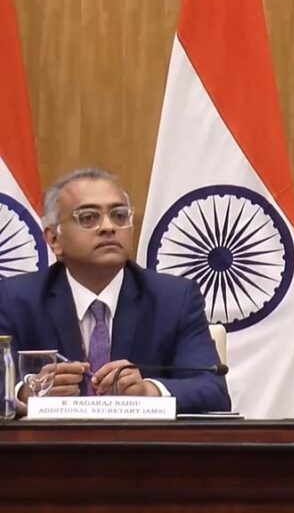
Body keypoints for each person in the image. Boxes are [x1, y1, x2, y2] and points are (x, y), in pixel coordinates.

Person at [0, 168, 230, 414]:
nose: (108, 227)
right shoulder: (14, 299)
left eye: (119, 216)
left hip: (142, 450)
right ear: (54, 239)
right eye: (88, 217)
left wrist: (148, 391)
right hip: (48, 450)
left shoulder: (175, 298)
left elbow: (213, 391)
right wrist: (27, 391)